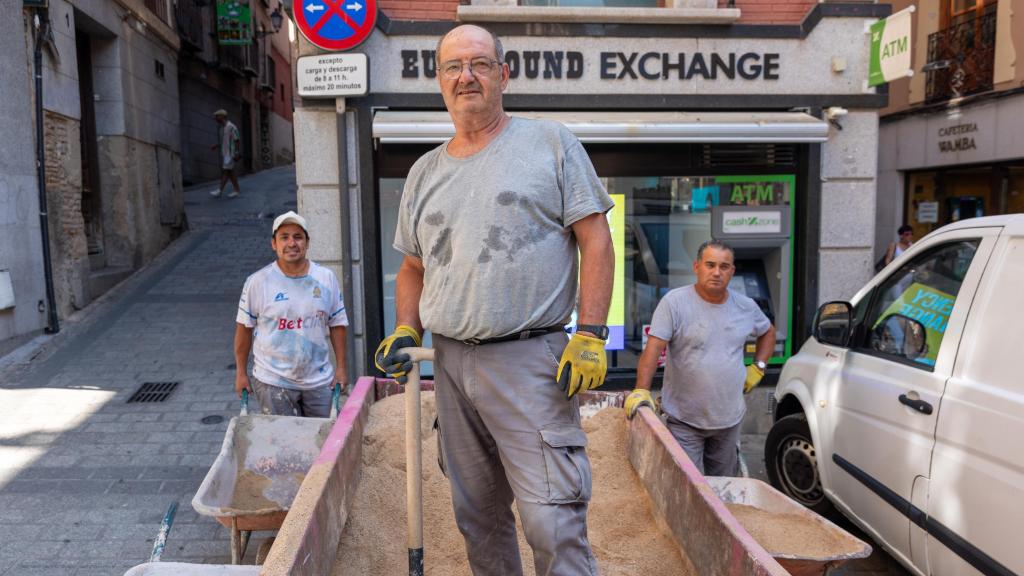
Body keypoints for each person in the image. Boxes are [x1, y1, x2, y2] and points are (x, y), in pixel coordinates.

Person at [374, 24, 614, 576]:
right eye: (454, 67)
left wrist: (591, 333)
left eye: (480, 64)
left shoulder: (550, 144)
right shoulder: (423, 172)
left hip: (532, 361)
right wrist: (407, 327)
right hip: (452, 363)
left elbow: (596, 240)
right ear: (439, 81)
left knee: (552, 519)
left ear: (503, 74)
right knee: (477, 517)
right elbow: (413, 266)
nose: (467, 77)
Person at [624, 240, 775, 477]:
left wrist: (759, 367)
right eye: (710, 264)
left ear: (732, 272)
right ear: (697, 267)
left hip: (729, 420)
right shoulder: (675, 303)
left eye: (724, 266)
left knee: (724, 489)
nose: (716, 272)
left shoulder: (746, 307)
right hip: (684, 420)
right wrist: (641, 390)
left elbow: (767, 332)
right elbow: (653, 349)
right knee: (684, 488)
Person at [233, 211, 348, 417]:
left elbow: (337, 323)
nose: (291, 243)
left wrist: (341, 367)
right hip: (273, 381)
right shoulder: (258, 282)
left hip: (319, 380)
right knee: (283, 444)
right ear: (274, 244)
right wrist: (241, 372)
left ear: (307, 242)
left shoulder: (326, 278)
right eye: (284, 237)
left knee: (322, 443)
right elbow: (244, 329)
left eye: (298, 237)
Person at [210, 109, 242, 198]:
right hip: (226, 153)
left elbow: (237, 139)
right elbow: (226, 141)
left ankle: (220, 190)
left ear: (222, 116)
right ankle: (237, 190)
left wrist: (236, 152)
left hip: (230, 154)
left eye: (217, 116)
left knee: (225, 171)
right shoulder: (223, 128)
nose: (215, 118)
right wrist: (217, 145)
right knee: (231, 173)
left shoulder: (231, 127)